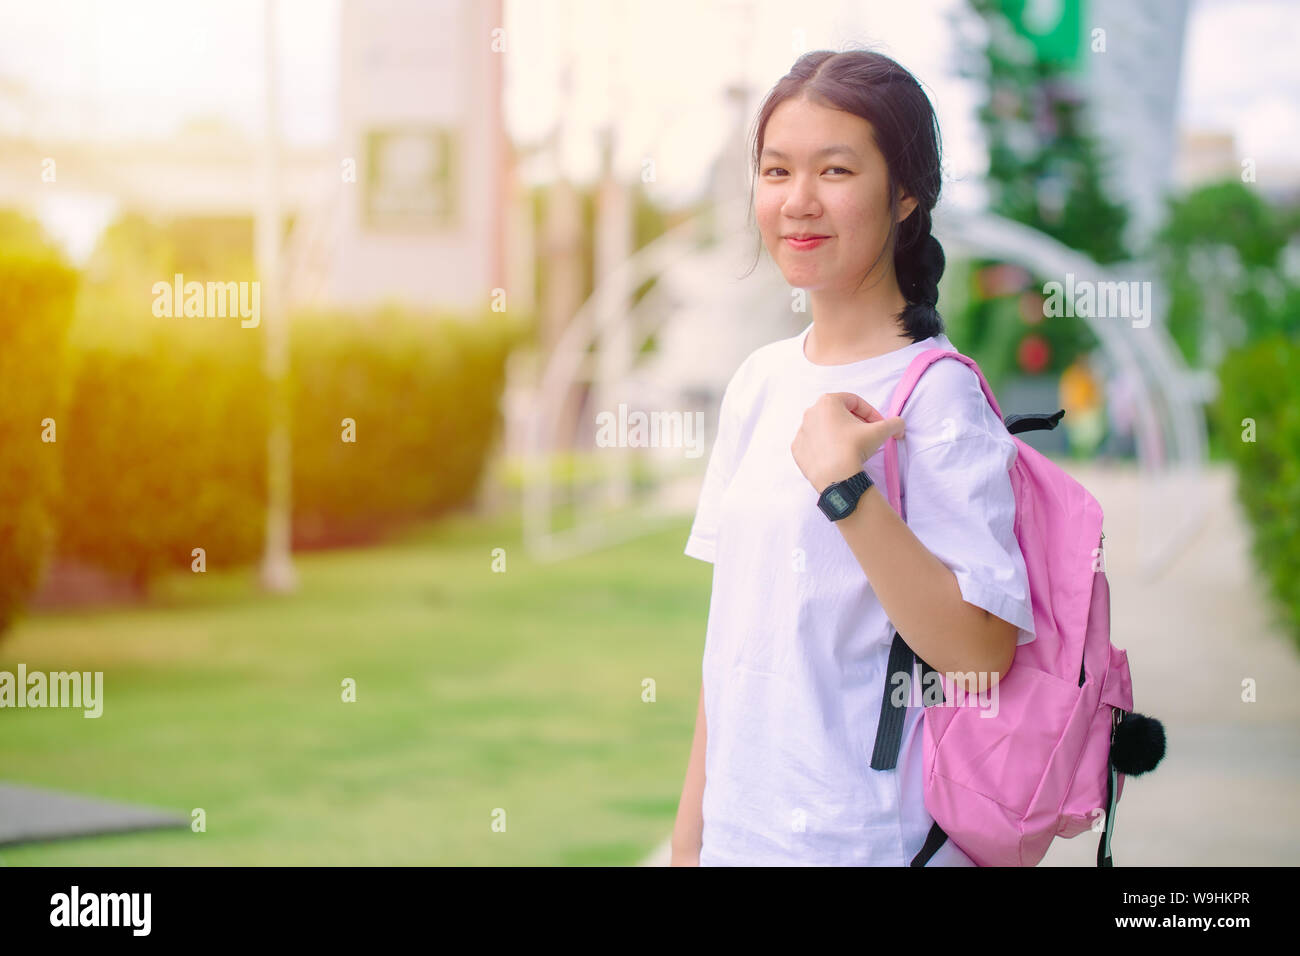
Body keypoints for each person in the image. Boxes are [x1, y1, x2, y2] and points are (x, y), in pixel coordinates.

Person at [670, 50, 1036, 867]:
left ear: (906, 194)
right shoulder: (758, 380)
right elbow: (732, 645)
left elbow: (980, 651)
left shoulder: (935, 397)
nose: (798, 202)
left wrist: (846, 488)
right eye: (776, 170)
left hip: (869, 844)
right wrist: (691, 843)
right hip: (741, 840)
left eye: (836, 170)